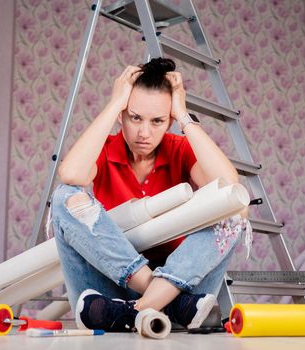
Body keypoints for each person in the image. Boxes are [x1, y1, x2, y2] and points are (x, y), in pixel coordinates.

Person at [51, 57, 250, 332]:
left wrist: (182, 113)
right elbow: (70, 174)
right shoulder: (106, 147)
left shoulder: (179, 148)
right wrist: (113, 104)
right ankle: (161, 302)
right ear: (122, 115)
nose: (144, 132)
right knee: (64, 197)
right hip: (116, 294)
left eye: (157, 121)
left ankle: (135, 311)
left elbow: (230, 189)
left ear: (168, 121)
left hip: (165, 288)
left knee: (236, 212)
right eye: (134, 117)